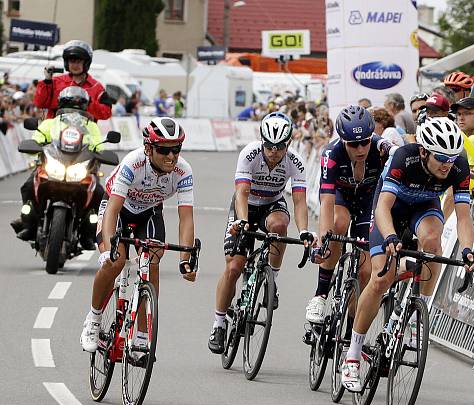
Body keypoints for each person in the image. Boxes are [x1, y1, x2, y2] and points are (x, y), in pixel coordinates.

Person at [341, 117, 474, 391]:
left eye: (452, 158)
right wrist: (391, 236)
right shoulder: (404, 158)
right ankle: (353, 356)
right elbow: (382, 208)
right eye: (441, 157)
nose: (447, 164)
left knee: (432, 241)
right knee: (381, 279)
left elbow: (464, 217)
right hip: (390, 209)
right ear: (424, 152)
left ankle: (419, 311)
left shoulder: (458, 166)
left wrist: (468, 249)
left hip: (423, 206)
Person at [79, 118, 197, 352]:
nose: (171, 156)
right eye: (164, 150)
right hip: (118, 208)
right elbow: (112, 210)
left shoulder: (183, 171)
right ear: (148, 148)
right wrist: (109, 248)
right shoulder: (133, 163)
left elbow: (186, 218)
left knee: (152, 260)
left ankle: (142, 334)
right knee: (115, 261)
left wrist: (185, 260)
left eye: (176, 149)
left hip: (150, 211)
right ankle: (93, 319)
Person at [208, 113, 313, 353]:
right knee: (234, 268)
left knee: (279, 227)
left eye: (280, 147)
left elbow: (299, 202)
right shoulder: (250, 154)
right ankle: (219, 323)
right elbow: (242, 193)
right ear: (262, 141)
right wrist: (243, 221)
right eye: (269, 146)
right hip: (246, 205)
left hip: (272, 205)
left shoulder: (295, 162)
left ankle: (271, 281)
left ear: (288, 144)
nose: (274, 152)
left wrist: (305, 230)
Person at [304, 105, 392, 324]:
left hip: (368, 200)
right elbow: (326, 201)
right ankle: (320, 294)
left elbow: (398, 154)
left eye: (365, 142)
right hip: (341, 197)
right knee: (338, 223)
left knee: (366, 271)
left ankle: (352, 327)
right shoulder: (331, 154)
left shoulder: (381, 147)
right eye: (354, 144)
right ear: (343, 140)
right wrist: (324, 238)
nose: (361, 149)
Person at [11, 87, 105, 247]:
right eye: (70, 105)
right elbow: (38, 138)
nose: (74, 110)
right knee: (27, 186)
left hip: (79, 169)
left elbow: (99, 148)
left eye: (78, 107)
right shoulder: (50, 123)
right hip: (53, 166)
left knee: (99, 194)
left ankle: (89, 233)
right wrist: (35, 145)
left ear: (84, 107)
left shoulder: (92, 127)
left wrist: (98, 155)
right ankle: (28, 224)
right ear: (61, 104)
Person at [33, 40, 112, 121]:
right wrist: (47, 80)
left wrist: (88, 102)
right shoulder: (55, 82)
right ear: (67, 63)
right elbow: (40, 103)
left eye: (78, 62)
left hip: (85, 131)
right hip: (56, 130)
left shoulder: (97, 87)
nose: (75, 65)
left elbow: (106, 113)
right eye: (72, 61)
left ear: (86, 63)